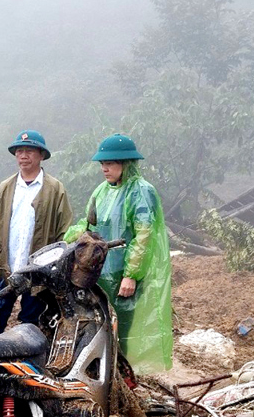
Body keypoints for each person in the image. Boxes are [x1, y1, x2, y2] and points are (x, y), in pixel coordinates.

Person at [64, 134, 173, 373]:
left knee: (123, 328)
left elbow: (144, 236)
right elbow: (89, 225)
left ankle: (125, 376)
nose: (104, 168)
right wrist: (68, 239)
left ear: (126, 164)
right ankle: (103, 372)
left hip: (125, 274)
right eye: (103, 164)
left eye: (110, 163)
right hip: (102, 272)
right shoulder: (102, 191)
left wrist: (131, 274)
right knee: (101, 325)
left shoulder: (141, 192)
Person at [0, 130, 74, 336]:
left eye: (29, 151)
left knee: (29, 325)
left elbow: (65, 231)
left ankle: (25, 367)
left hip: (37, 272)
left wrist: (59, 266)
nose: (23, 155)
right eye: (19, 151)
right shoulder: (6, 187)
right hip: (6, 268)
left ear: (41, 155)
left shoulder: (55, 189)